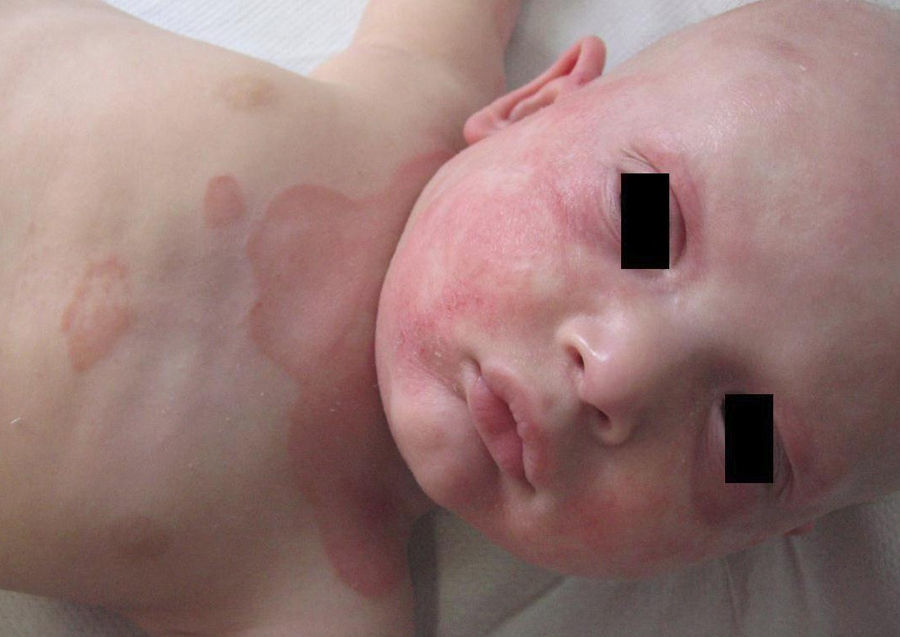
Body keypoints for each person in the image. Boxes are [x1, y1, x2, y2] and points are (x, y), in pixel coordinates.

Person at [0, 1, 521, 635]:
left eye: (682, 473)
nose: (612, 365)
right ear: (536, 111)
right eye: (629, 227)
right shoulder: (423, 104)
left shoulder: (326, 595)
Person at [376, 0, 900, 581]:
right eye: (643, 224)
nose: (616, 374)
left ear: (767, 532)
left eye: (747, 436)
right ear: (535, 106)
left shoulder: (331, 582)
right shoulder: (402, 91)